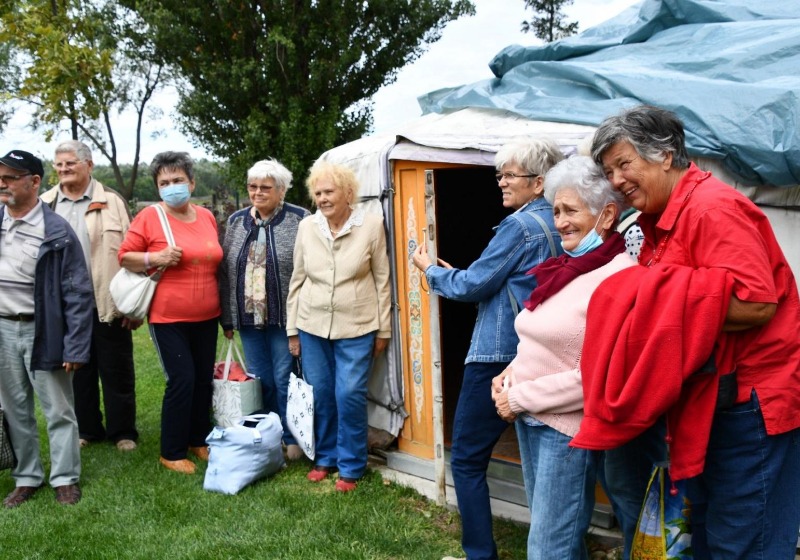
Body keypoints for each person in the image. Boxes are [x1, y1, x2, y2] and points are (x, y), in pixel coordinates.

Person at [584, 104, 800, 559]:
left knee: (743, 539)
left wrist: (655, 300)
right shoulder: (661, 217)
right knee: (705, 532)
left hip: (751, 404)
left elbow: (758, 303)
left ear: (664, 156)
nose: (618, 180)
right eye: (610, 172)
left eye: (625, 164)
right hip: (711, 398)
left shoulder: (711, 208)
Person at [411, 138, 563, 560]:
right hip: (545, 352)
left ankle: (480, 554)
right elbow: (504, 281)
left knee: (467, 458)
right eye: (500, 174)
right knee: (541, 461)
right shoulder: (562, 221)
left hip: (498, 354)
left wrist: (430, 271)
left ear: (538, 182)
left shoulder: (519, 226)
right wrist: (457, 273)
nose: (499, 182)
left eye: (508, 175)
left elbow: (473, 286)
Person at [490, 156, 633, 559]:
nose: (560, 221)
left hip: (567, 429)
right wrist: (510, 374)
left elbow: (598, 378)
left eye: (571, 210)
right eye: (555, 211)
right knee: (555, 540)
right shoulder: (569, 267)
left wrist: (519, 397)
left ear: (606, 215)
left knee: (549, 549)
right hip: (532, 419)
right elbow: (543, 340)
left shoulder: (618, 278)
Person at [286, 161, 391, 493]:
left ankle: (352, 465)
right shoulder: (307, 227)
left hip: (358, 325)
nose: (322, 199)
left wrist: (384, 329)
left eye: (328, 191)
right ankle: (326, 457)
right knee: (322, 395)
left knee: (349, 394)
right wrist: (292, 329)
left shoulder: (371, 226)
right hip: (311, 324)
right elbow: (298, 278)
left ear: (348, 193)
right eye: (317, 193)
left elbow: (383, 280)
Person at [118, 151, 223, 475]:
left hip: (207, 315)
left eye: (177, 180)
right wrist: (156, 258)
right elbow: (124, 257)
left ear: (191, 183)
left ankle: (197, 439)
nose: (172, 186)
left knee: (203, 380)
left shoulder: (205, 216)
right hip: (169, 317)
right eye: (164, 182)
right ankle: (172, 450)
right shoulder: (149, 217)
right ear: (157, 187)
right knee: (182, 380)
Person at [0, 150, 93, 507]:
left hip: (45, 330)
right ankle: (27, 476)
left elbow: (78, 292)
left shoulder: (56, 230)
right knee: (14, 408)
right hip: (4, 330)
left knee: (58, 409)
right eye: (0, 177)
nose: (3, 184)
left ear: (34, 182)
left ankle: (65, 478)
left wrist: (75, 345)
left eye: (10, 177)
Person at [40, 140, 139, 452]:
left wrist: (134, 306)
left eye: (70, 163)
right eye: (59, 165)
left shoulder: (111, 201)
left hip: (107, 301)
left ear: (89, 165)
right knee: (76, 370)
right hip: (66, 307)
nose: (64, 170)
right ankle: (87, 430)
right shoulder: (45, 204)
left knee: (117, 369)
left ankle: (123, 432)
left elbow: (132, 252)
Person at [219, 158, 310, 461]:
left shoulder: (300, 219)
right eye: (252, 186)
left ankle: (292, 434)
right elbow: (226, 270)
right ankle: (268, 433)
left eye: (265, 187)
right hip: (248, 318)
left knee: (286, 377)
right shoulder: (236, 221)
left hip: (285, 319)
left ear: (281, 190)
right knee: (260, 378)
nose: (257, 192)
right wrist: (228, 317)